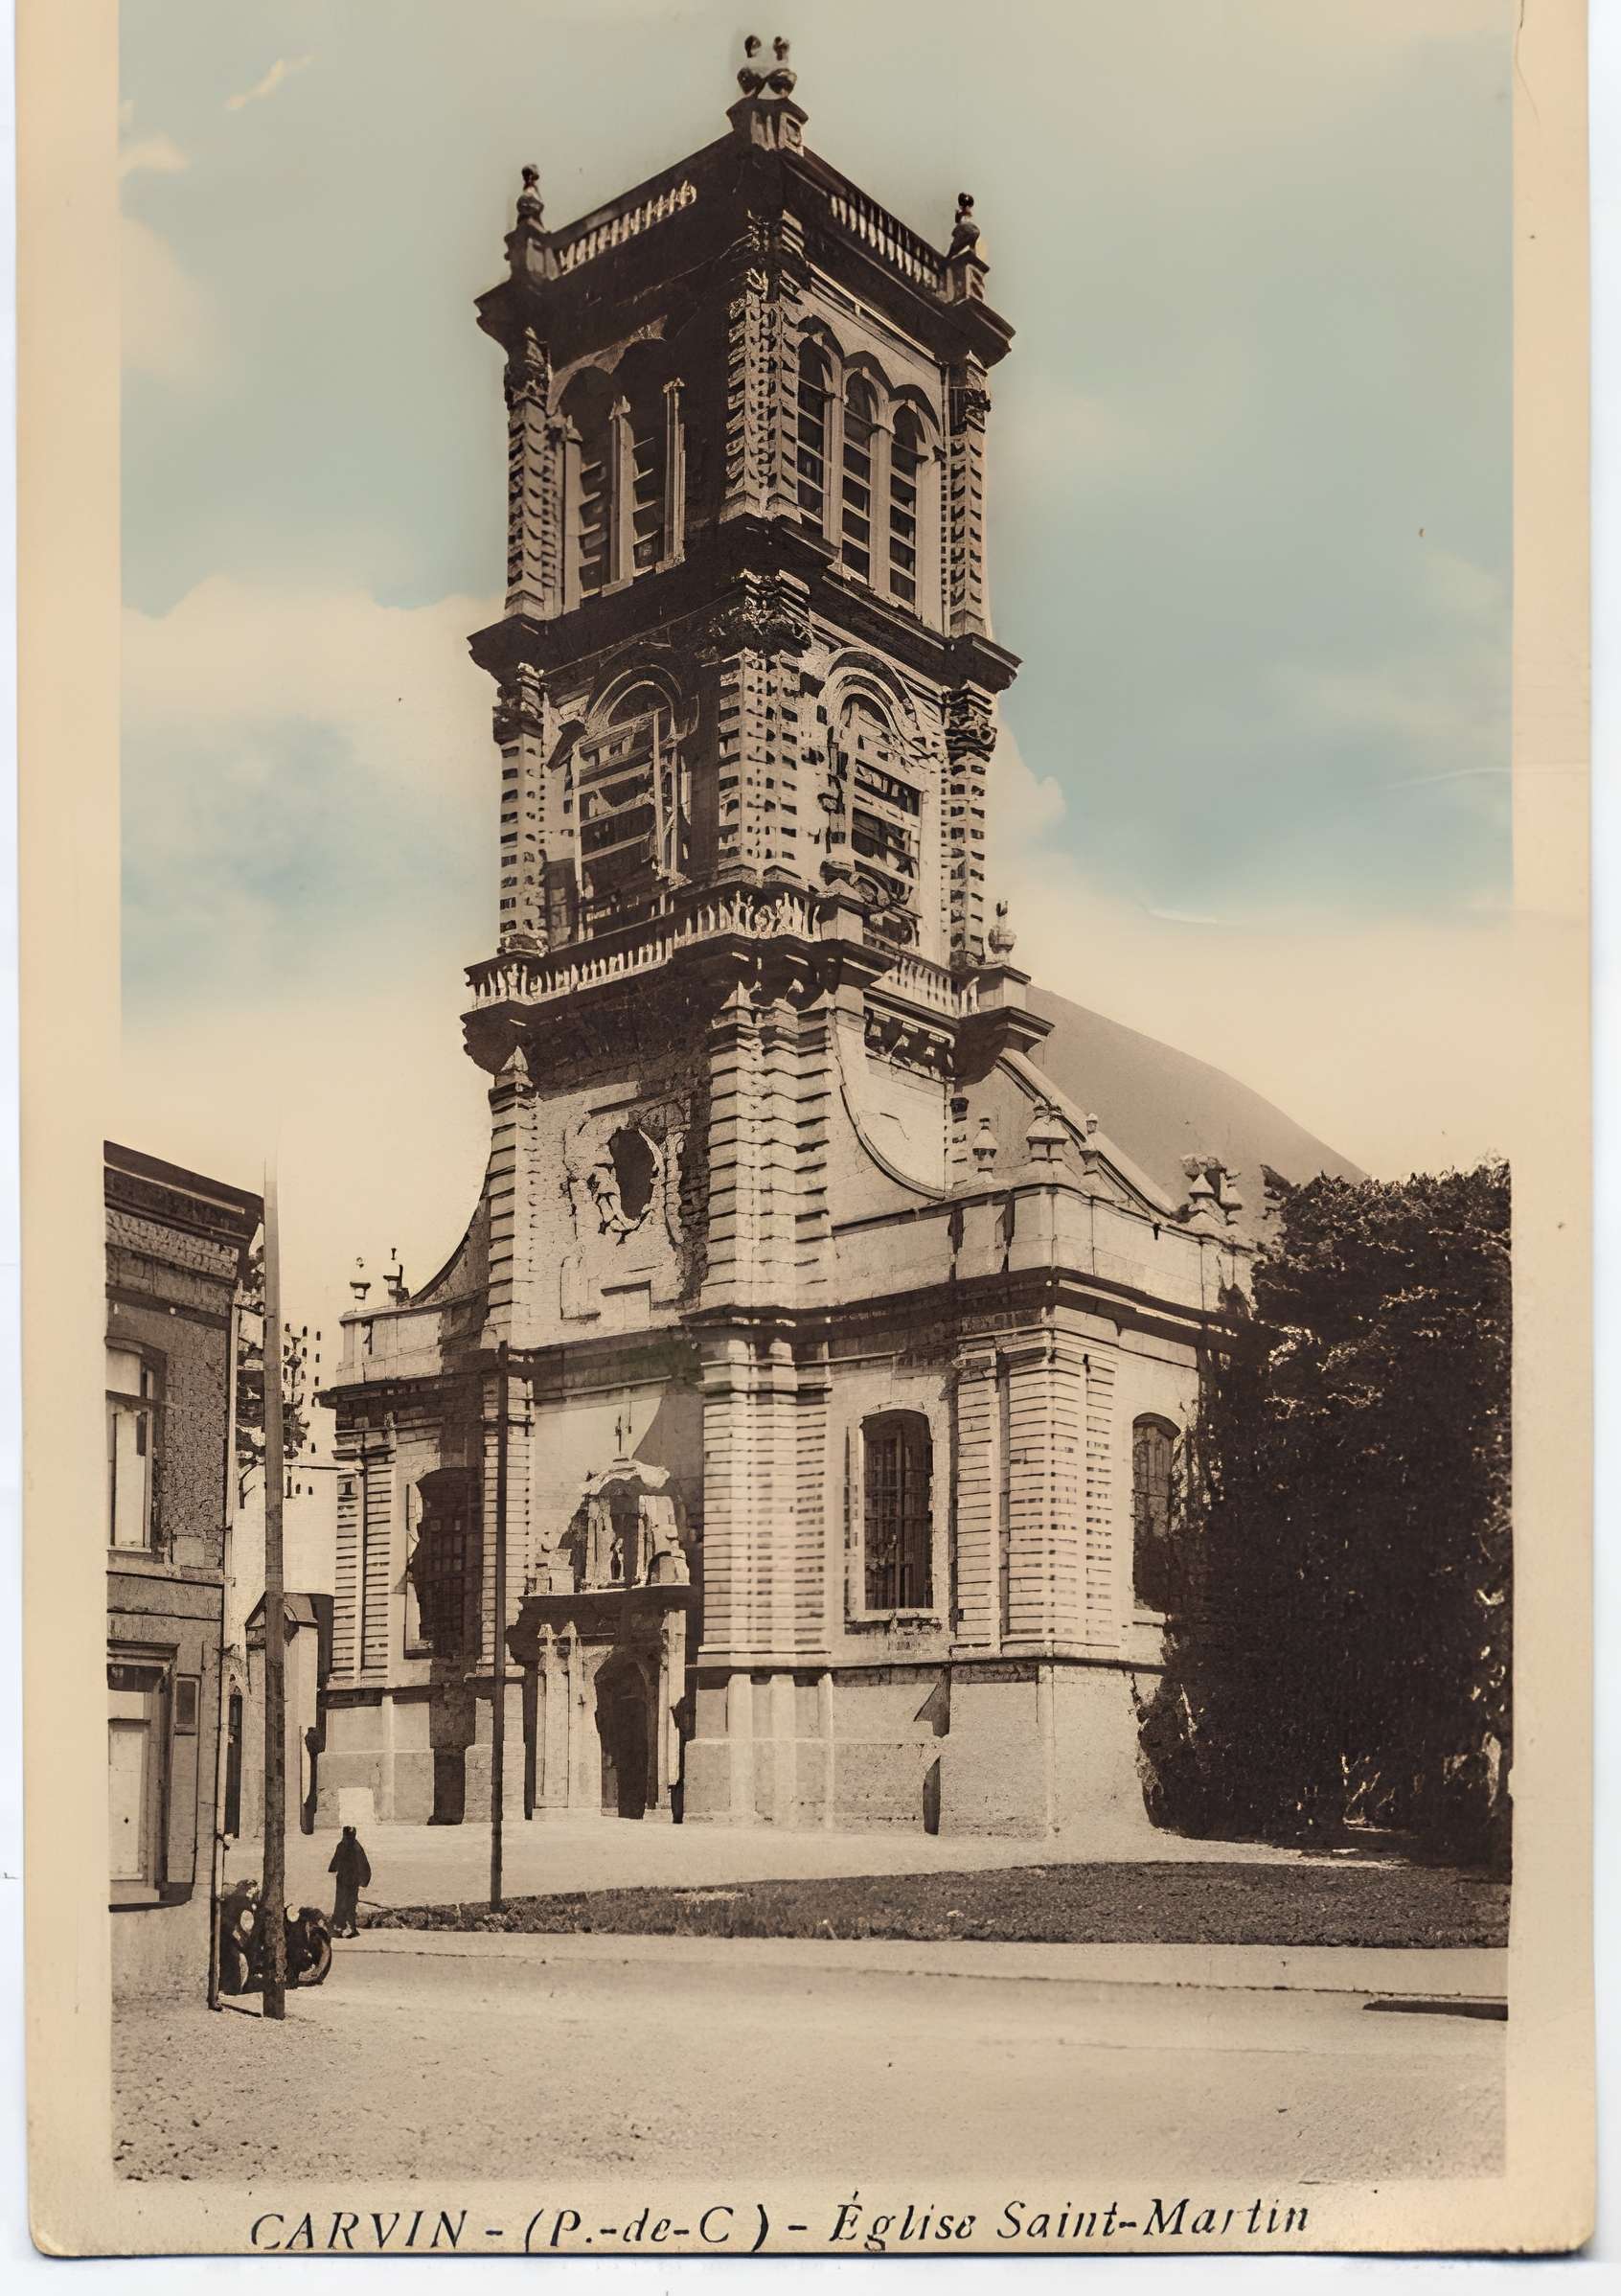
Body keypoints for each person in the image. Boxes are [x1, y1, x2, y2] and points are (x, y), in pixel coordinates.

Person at [328, 1824, 371, 1938]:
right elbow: (337, 1860)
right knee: (343, 1903)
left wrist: (364, 1880)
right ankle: (341, 1927)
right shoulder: (349, 1846)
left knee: (349, 1904)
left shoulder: (350, 1847)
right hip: (344, 1881)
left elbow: (362, 1864)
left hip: (350, 1881)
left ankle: (348, 1927)